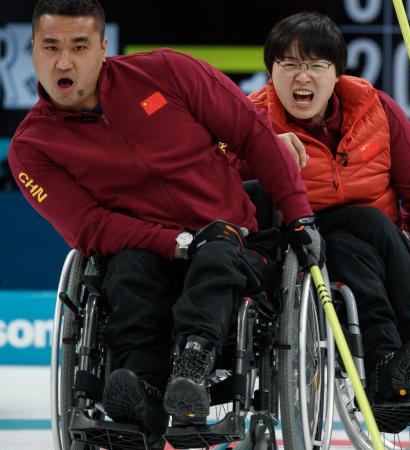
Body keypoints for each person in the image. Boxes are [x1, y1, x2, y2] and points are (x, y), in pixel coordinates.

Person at [10, 0, 322, 446]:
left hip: (232, 242)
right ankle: (143, 390)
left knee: (217, 246)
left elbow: (252, 133)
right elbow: (89, 227)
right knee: (128, 269)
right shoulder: (32, 147)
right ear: (33, 51)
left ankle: (191, 369)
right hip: (149, 254)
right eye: (51, 47)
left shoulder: (169, 72)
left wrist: (299, 216)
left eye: (79, 46)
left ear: (103, 47)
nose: (64, 62)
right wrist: (173, 243)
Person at [242, 12, 410, 405]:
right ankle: (399, 364)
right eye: (290, 65)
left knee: (367, 228)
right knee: (351, 237)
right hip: (295, 241)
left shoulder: (376, 109)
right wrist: (265, 153)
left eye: (316, 65)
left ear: (337, 74)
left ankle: (406, 364)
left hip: (375, 242)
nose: (302, 78)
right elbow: (219, 190)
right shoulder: (249, 122)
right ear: (270, 71)